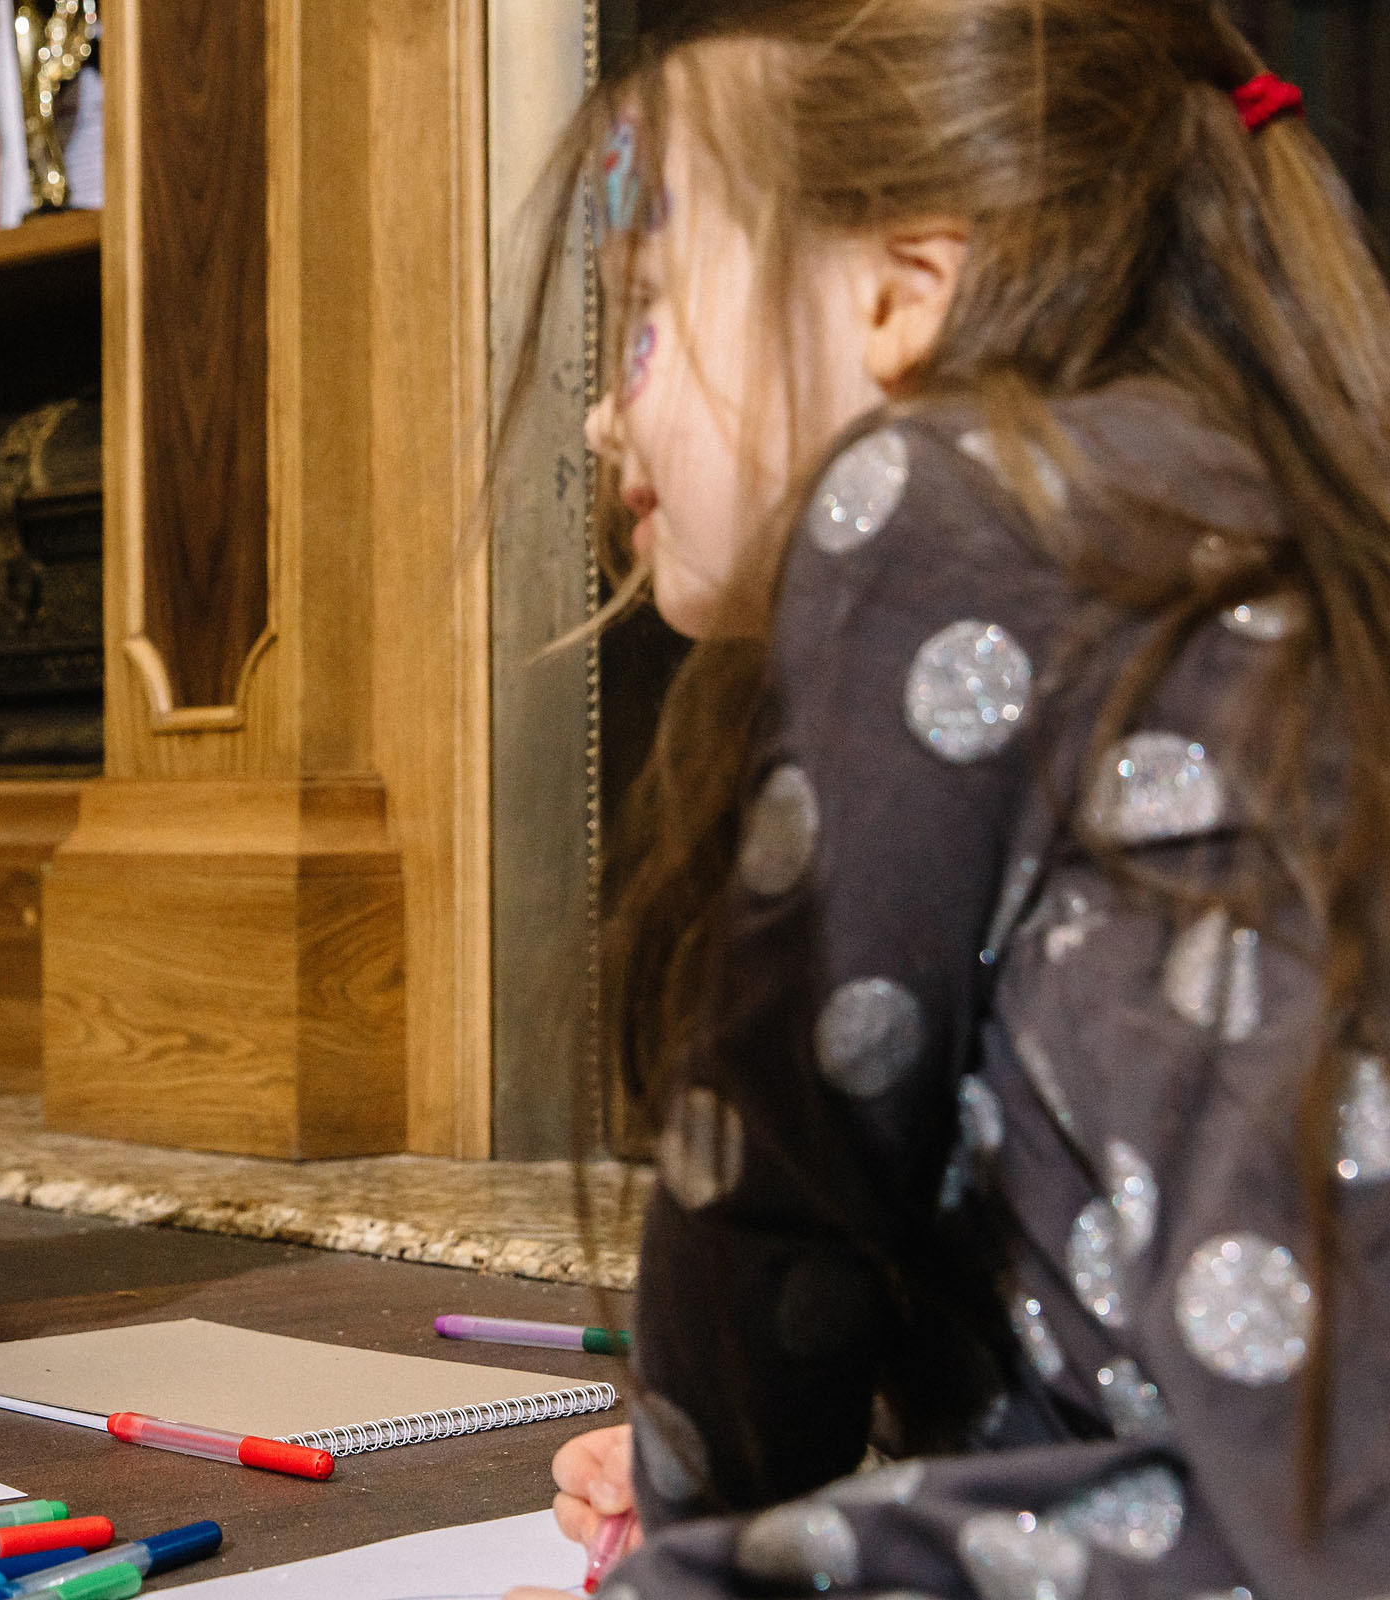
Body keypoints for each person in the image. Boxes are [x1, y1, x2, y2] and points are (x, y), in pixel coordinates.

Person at [505, 3, 1389, 1595]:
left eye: (640, 321)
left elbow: (779, 1187)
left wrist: (702, 1520)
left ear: (904, 292)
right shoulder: (1213, 505)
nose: (598, 413)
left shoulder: (928, 505)